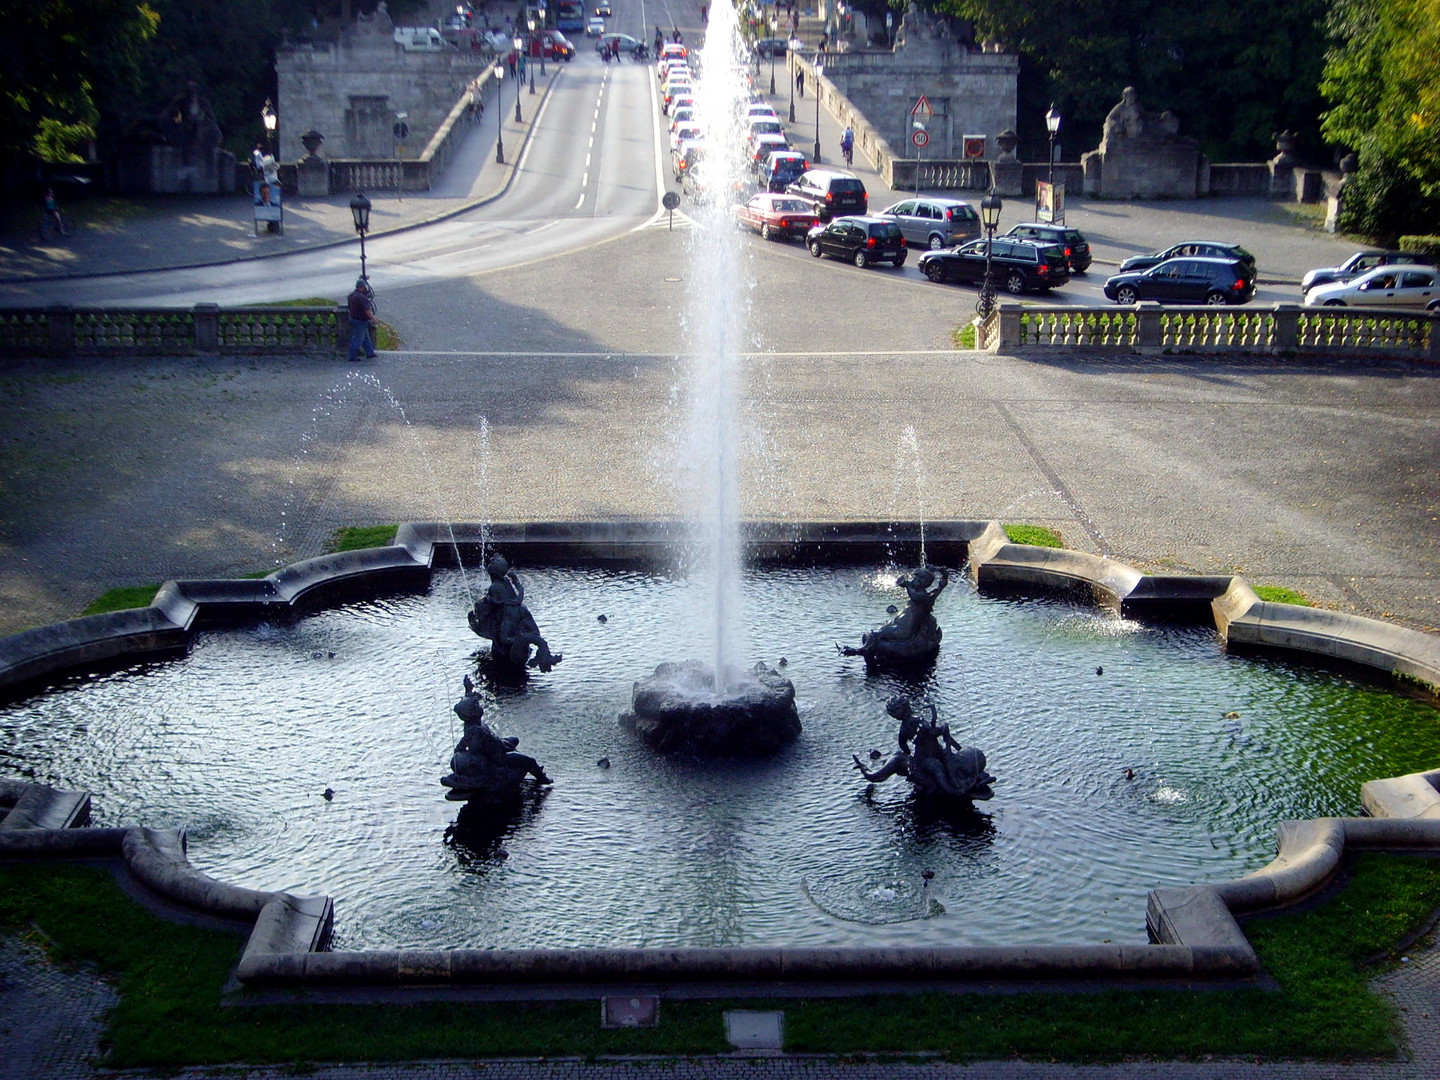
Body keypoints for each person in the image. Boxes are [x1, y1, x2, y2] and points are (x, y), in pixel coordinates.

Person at [346, 277, 378, 362]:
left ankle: (370, 352)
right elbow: (367, 310)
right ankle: (352, 356)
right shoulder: (362, 297)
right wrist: (373, 318)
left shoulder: (351, 295)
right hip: (360, 320)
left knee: (365, 337)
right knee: (358, 339)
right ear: (362, 287)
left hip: (353, 318)